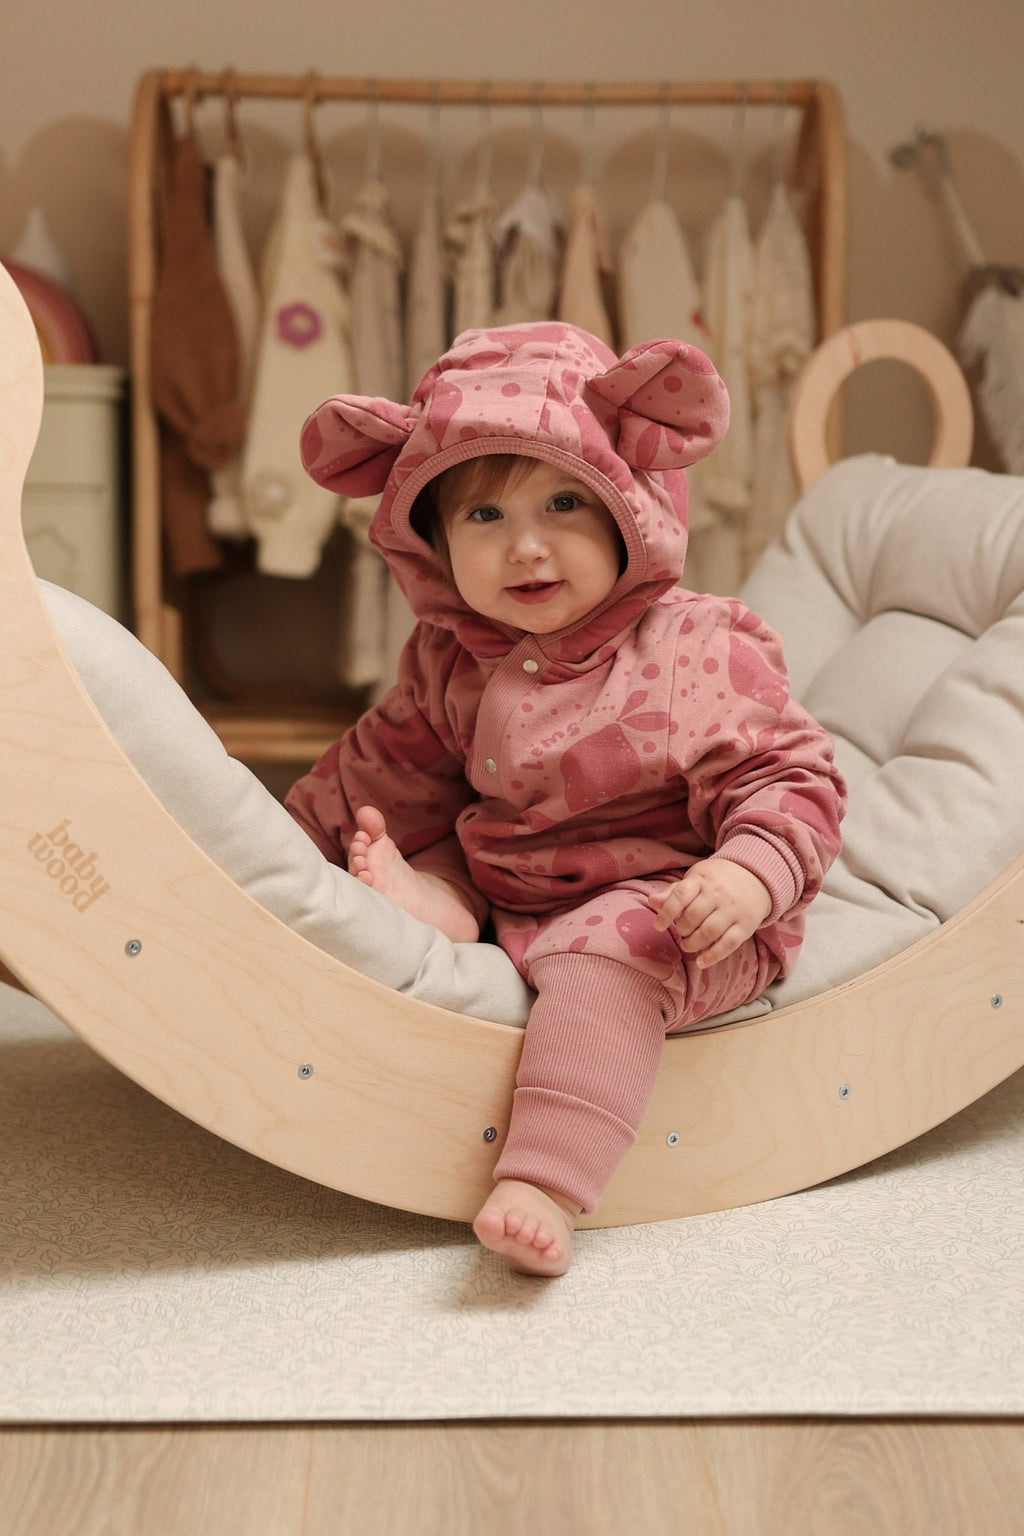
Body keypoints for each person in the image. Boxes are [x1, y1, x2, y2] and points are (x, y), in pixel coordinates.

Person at [287, 323, 846, 1276]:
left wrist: (750, 877)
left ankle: (547, 1176)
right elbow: (383, 767)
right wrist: (276, 847)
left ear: (631, 505)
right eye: (484, 519)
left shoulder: (694, 648)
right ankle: (443, 907)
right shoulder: (452, 657)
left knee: (607, 951)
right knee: (419, 838)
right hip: (518, 874)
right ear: (429, 542)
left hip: (676, 901)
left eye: (563, 503)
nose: (527, 547)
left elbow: (791, 776)